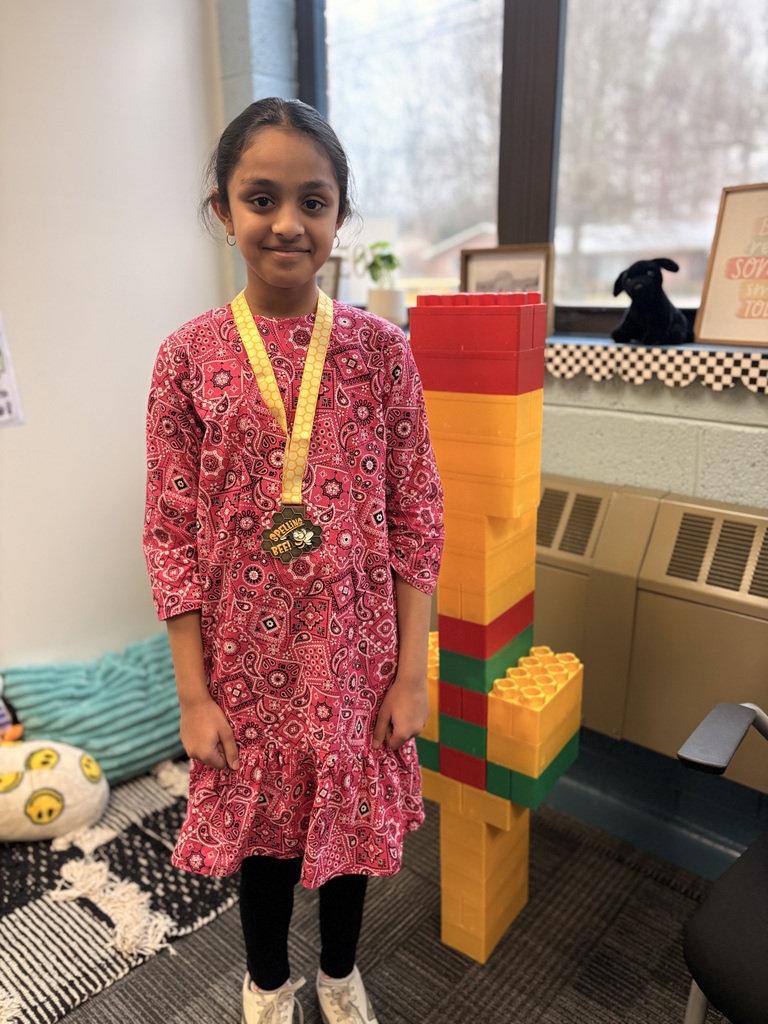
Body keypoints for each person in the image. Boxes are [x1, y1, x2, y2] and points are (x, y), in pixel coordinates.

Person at [143, 97, 444, 1024]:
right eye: (260, 197)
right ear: (222, 210)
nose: (287, 222)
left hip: (355, 659)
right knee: (265, 842)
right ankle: (267, 982)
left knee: (350, 836)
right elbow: (170, 534)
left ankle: (341, 974)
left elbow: (417, 518)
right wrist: (194, 695)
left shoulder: (380, 353)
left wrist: (410, 673)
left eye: (313, 201)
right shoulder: (188, 358)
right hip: (246, 665)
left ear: (339, 215)